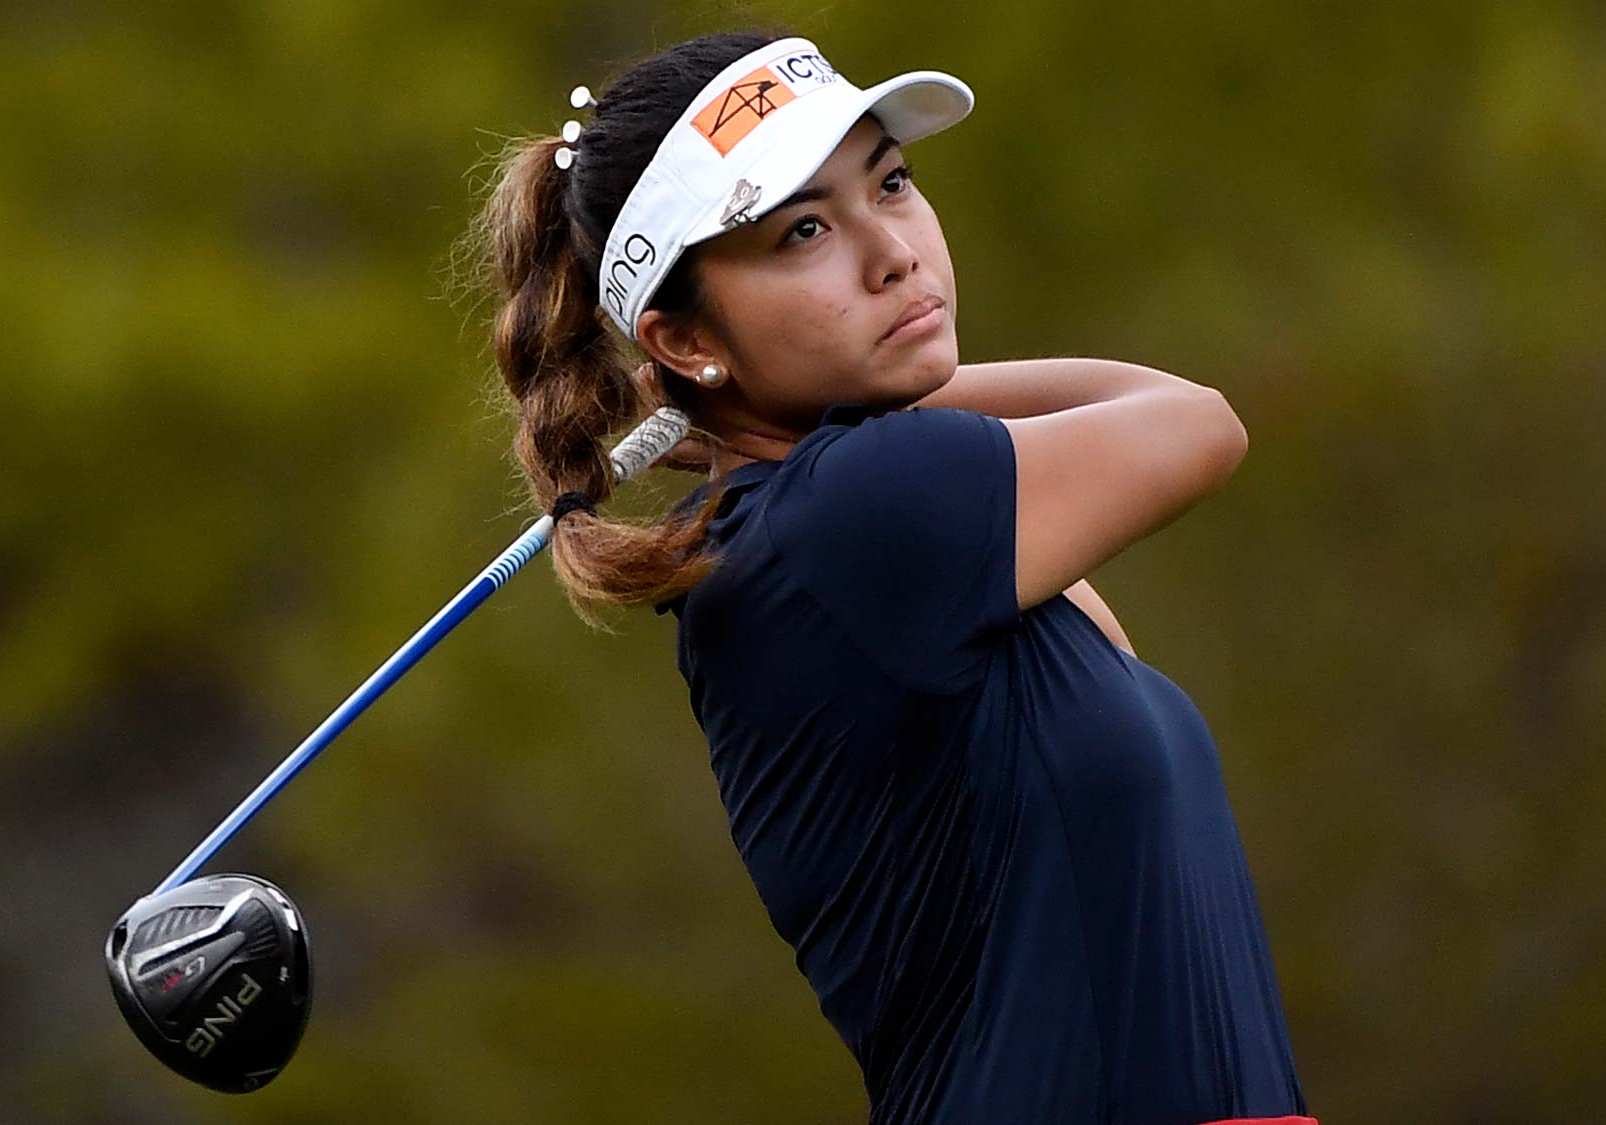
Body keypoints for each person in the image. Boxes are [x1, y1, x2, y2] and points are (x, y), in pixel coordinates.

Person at [470, 28, 1317, 1125]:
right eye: (804, 231)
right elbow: (1195, 422)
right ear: (683, 340)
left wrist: (783, 413)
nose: (894, 253)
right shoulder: (856, 514)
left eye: (893, 183)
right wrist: (882, 408)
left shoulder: (835, 523)